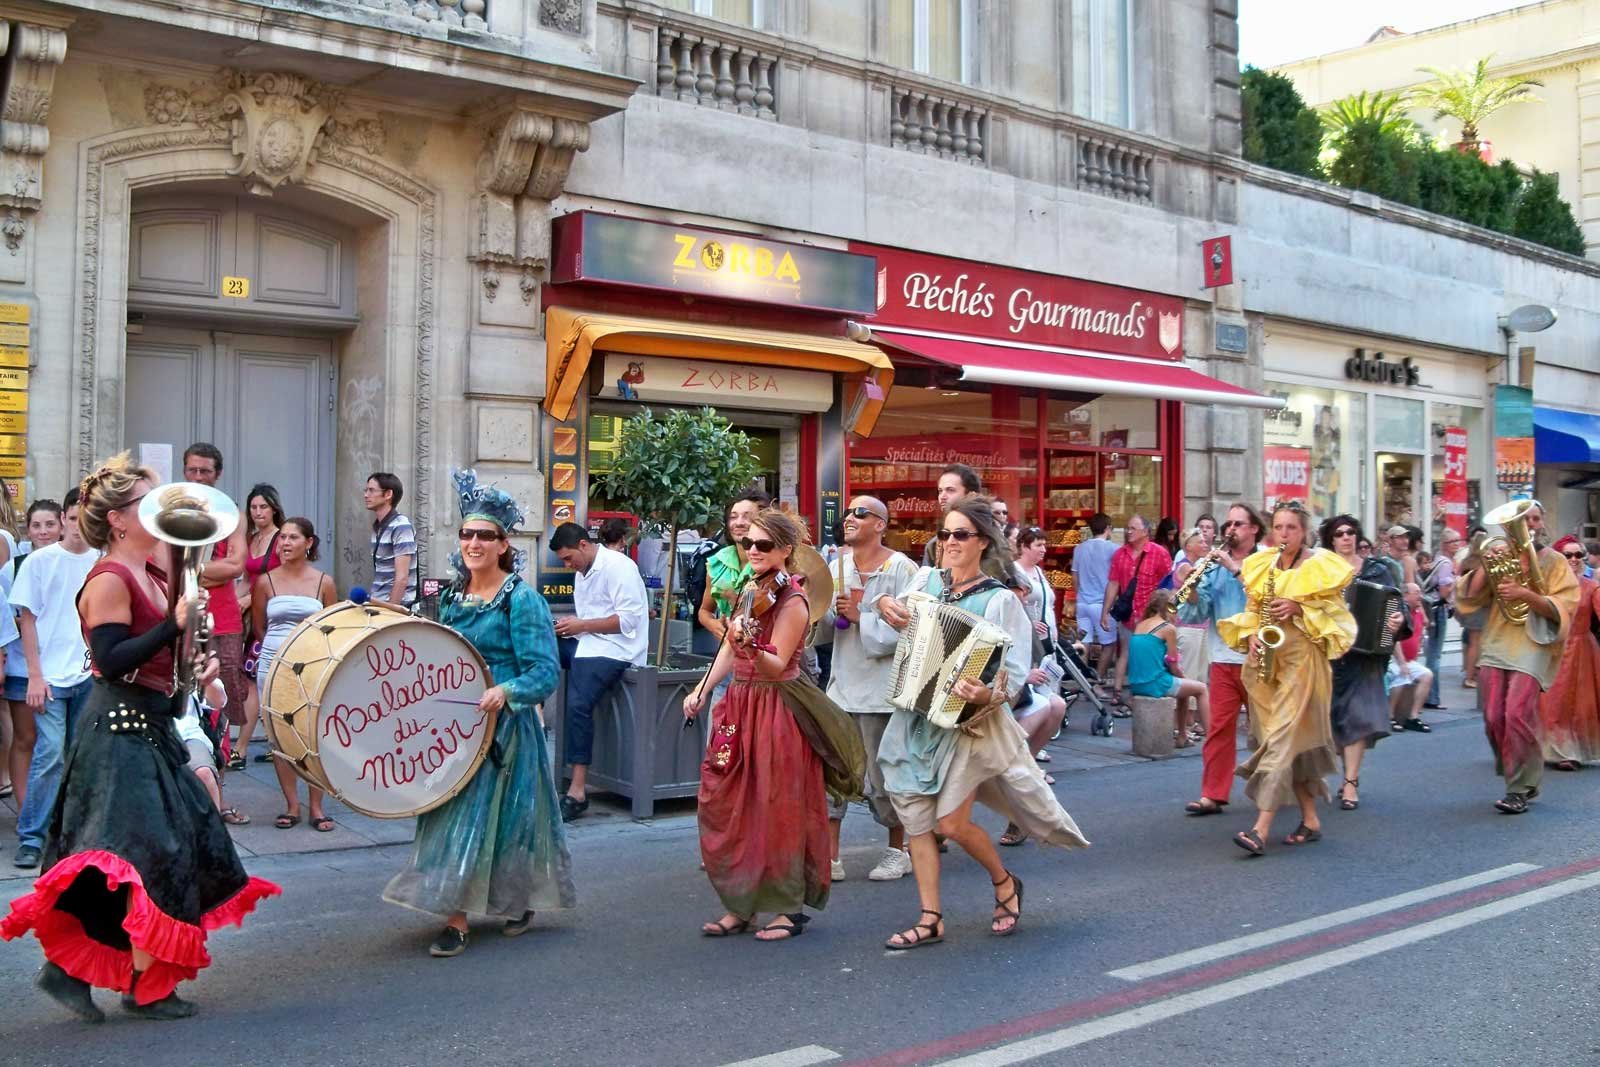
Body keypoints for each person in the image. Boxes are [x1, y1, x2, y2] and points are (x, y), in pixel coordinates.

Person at [1, 454, 279, 1020]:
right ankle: (142, 984)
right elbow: (107, 657)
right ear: (120, 520)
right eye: (146, 503)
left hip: (150, 727)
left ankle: (74, 972)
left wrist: (192, 666)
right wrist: (172, 624)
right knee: (149, 857)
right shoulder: (109, 577)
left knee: (146, 854)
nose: (161, 511)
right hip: (116, 733)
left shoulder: (155, 572)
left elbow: (158, 659)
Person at [875, 497, 1089, 949]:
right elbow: (898, 611)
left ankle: (1004, 881)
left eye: (960, 535)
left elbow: (1013, 675)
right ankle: (931, 917)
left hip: (968, 726)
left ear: (983, 543)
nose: (948, 543)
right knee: (917, 822)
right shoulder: (928, 580)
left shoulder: (999, 600)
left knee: (950, 824)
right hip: (917, 715)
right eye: (944, 534)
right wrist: (884, 603)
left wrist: (988, 693)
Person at [384, 470, 572, 956]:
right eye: (466, 533)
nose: (473, 542)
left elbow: (544, 671)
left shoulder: (521, 599)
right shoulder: (447, 596)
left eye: (484, 535)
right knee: (449, 817)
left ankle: (514, 899)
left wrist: (505, 690)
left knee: (508, 823)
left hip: (505, 731)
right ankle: (456, 916)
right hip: (452, 729)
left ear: (503, 544)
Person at [683, 507, 863, 943]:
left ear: (786, 550)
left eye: (764, 545)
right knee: (730, 801)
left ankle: (785, 908)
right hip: (740, 704)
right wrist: (704, 689)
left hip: (776, 706)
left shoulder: (793, 600)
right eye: (748, 544)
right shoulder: (749, 586)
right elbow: (729, 646)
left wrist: (751, 641)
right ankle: (740, 903)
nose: (753, 551)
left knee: (776, 806)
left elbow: (776, 663)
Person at [1219, 501, 1355, 856]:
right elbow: (1252, 610)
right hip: (1268, 660)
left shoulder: (1321, 565)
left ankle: (1260, 829)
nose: (1283, 534)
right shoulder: (1262, 563)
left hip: (1304, 660)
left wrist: (1300, 608)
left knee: (1280, 740)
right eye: (1278, 528)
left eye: (1291, 528)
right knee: (1284, 741)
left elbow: (1339, 617)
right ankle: (1311, 820)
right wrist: (1251, 637)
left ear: (1304, 531)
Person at [1455, 501, 1580, 813]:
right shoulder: (1499, 554)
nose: (1531, 525)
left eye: (1535, 519)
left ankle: (1520, 787)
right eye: (1525, 519)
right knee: (1493, 716)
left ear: (1542, 522)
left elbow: (1566, 605)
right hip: (1498, 640)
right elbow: (1469, 598)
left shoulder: (1553, 561)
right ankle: (1514, 769)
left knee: (1516, 714)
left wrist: (1526, 595)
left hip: (1534, 642)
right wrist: (1485, 563)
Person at [822, 495, 920, 881]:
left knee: (883, 778)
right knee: (833, 774)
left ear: (881, 524)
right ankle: (830, 856)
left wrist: (861, 618)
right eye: (848, 512)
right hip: (841, 686)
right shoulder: (835, 566)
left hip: (881, 693)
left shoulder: (903, 569)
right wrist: (824, 614)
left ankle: (898, 849)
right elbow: (824, 627)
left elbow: (912, 631)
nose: (850, 517)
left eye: (861, 513)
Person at [10, 489, 100, 869]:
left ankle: (72, 834)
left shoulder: (102, 561)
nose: (78, 525)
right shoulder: (40, 561)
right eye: (73, 516)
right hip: (49, 676)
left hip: (89, 675)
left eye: (86, 518)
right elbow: (27, 620)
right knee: (49, 755)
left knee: (81, 758)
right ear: (63, 518)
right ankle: (31, 836)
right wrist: (34, 675)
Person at [549, 522, 649, 822]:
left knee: (579, 705)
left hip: (619, 649)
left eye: (569, 559)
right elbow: (588, 621)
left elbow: (629, 622)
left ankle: (578, 791)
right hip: (589, 644)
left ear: (583, 545)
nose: (568, 566)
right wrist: (570, 627)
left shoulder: (620, 567)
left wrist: (581, 625)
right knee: (537, 649)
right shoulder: (583, 572)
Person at [251, 518, 338, 832]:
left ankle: (317, 806)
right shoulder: (265, 581)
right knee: (279, 736)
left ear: (309, 542)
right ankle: (291, 804)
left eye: (292, 537)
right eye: (282, 538)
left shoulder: (323, 582)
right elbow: (259, 627)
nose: (285, 543)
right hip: (273, 665)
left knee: (313, 733)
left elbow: (333, 627)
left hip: (313, 664)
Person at [1178, 503, 1265, 816]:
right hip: (1222, 658)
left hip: (1260, 658)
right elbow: (1197, 613)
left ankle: (1277, 786)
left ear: (1254, 528)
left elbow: (1266, 599)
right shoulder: (1212, 565)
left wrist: (1233, 567)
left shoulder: (1267, 560)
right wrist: (1191, 591)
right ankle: (1212, 794)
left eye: (1239, 524)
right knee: (1219, 728)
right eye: (1228, 524)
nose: (1231, 530)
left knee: (1267, 730)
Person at [1322, 515, 1404, 812]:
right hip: (1330, 653)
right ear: (1331, 539)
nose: (1346, 537)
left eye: (1351, 532)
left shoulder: (1378, 569)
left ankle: (1350, 783)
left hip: (1366, 655)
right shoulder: (1320, 570)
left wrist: (1397, 620)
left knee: (1357, 717)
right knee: (1334, 722)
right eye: (1340, 533)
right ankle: (1346, 773)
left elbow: (1397, 604)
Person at [180, 446, 251, 771]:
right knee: (179, 699)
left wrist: (187, 570)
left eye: (205, 471)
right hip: (179, 619)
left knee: (221, 706)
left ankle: (219, 789)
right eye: (192, 470)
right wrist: (210, 570)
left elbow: (236, 566)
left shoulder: (232, 514)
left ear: (217, 474)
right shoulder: (172, 512)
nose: (198, 477)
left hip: (222, 621)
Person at [4, 499, 62, 807]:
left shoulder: (71, 561)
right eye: (37, 525)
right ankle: (26, 808)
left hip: (60, 666)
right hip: (21, 665)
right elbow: (6, 614)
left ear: (62, 525)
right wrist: (28, 618)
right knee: (25, 738)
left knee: (54, 743)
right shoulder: (14, 567)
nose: (43, 532)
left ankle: (53, 808)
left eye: (50, 524)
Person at [695, 489, 770, 702]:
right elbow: (704, 611)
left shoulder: (771, 562)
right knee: (720, 730)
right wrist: (714, 625)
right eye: (733, 517)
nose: (739, 522)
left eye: (747, 516)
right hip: (725, 660)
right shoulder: (717, 562)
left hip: (761, 664)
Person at [232, 483, 285, 770]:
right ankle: (273, 744)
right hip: (251, 618)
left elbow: (280, 581)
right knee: (256, 681)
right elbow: (245, 579)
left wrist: (250, 601)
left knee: (263, 681)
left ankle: (241, 747)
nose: (257, 512)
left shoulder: (282, 539)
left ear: (274, 508)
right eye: (253, 507)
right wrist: (232, 602)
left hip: (271, 618)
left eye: (263, 507)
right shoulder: (250, 539)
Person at [1537, 537, 1600, 771]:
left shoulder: (1591, 587)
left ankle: (1571, 751)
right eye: (1568, 555)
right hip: (1551, 648)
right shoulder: (1547, 586)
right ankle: (1548, 748)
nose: (1573, 560)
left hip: (1581, 651)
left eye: (1578, 555)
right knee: (1549, 702)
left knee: (1576, 705)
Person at [1101, 515, 1172, 707]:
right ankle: (1117, 691)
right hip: (1129, 614)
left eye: (1133, 528)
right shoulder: (1120, 554)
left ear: (1145, 531)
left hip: (1150, 616)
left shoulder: (1159, 553)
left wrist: (1167, 613)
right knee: (1125, 651)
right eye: (1127, 528)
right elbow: (1113, 583)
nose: (1128, 531)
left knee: (1148, 654)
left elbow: (1168, 584)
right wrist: (1105, 612)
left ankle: (1139, 692)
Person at [1127, 589, 1210, 748]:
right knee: (1201, 689)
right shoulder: (1167, 628)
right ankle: (1213, 737)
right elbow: (1174, 666)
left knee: (1185, 690)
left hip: (1137, 683)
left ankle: (1182, 736)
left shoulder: (1141, 625)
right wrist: (1185, 678)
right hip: (1154, 682)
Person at [1170, 529, 1213, 744]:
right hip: (1188, 627)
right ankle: (1183, 726)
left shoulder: (1199, 564)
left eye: (1206, 541)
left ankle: (1189, 725)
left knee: (1198, 676)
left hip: (1200, 626)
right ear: (1189, 545)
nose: (1205, 544)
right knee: (1188, 675)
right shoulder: (1185, 565)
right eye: (1200, 541)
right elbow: (1191, 592)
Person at [1072, 513, 1118, 685]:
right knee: (1109, 644)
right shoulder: (1113, 549)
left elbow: (1074, 576)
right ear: (1107, 528)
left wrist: (1079, 594)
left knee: (1084, 643)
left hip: (1083, 602)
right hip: (1102, 604)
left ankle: (1082, 683)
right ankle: (1098, 681)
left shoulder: (1079, 548)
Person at [1387, 582, 1435, 734]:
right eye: (1416, 592)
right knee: (1402, 676)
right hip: (1393, 659)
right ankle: (1390, 717)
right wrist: (1402, 663)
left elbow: (1420, 634)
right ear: (1405, 595)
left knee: (1427, 675)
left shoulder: (1419, 613)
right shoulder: (1399, 613)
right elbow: (1396, 640)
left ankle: (1413, 717)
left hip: (1410, 660)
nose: (1420, 596)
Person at [365, 471, 417, 611]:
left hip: (395, 609)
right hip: (379, 605)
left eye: (371, 490)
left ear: (388, 494)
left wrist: (391, 611)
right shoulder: (379, 527)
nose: (366, 495)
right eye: (366, 490)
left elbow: (402, 578)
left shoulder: (400, 526)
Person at [1422, 530, 1461, 709]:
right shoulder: (1445, 563)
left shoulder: (1437, 560)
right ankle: (1432, 697)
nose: (1457, 544)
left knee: (1432, 653)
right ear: (1444, 544)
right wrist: (1456, 583)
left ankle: (1427, 694)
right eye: (1452, 541)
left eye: (1458, 540)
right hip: (1438, 610)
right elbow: (1445, 591)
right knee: (1435, 655)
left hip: (1432, 608)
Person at [922, 463, 983, 567]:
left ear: (970, 495)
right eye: (940, 491)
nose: (942, 496)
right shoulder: (934, 545)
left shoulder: (990, 538)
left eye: (950, 490)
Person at [1460, 524, 1489, 689]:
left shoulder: (1466, 561)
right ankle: (1471, 677)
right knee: (1476, 643)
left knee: (1472, 642)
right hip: (1480, 606)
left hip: (1468, 607)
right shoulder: (1482, 563)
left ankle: (1470, 674)